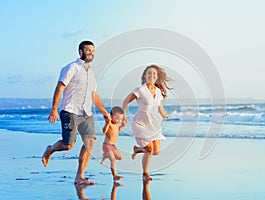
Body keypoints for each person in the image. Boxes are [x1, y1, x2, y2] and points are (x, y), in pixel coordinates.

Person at [41, 40, 110, 185]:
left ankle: (80, 176)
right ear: (80, 52)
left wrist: (104, 112)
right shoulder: (71, 67)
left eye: (93, 50)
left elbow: (94, 95)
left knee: (90, 142)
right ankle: (51, 149)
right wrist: (54, 109)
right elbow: (60, 87)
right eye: (88, 50)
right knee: (68, 145)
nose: (91, 53)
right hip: (70, 111)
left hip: (86, 113)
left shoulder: (91, 73)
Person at [122, 64, 172, 181]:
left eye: (154, 73)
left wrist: (164, 114)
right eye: (149, 73)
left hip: (154, 123)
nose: (151, 75)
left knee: (156, 151)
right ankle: (145, 173)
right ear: (145, 76)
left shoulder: (158, 91)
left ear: (157, 77)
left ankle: (137, 149)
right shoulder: (140, 90)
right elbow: (125, 101)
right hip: (141, 122)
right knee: (149, 149)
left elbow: (159, 105)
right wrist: (124, 116)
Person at [100, 106, 125, 181]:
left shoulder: (116, 124)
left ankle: (105, 155)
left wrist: (122, 126)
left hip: (113, 146)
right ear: (111, 116)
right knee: (113, 160)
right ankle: (115, 175)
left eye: (120, 119)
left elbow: (116, 131)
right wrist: (107, 124)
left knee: (120, 157)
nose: (118, 121)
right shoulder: (109, 123)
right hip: (106, 145)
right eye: (117, 118)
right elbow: (104, 131)